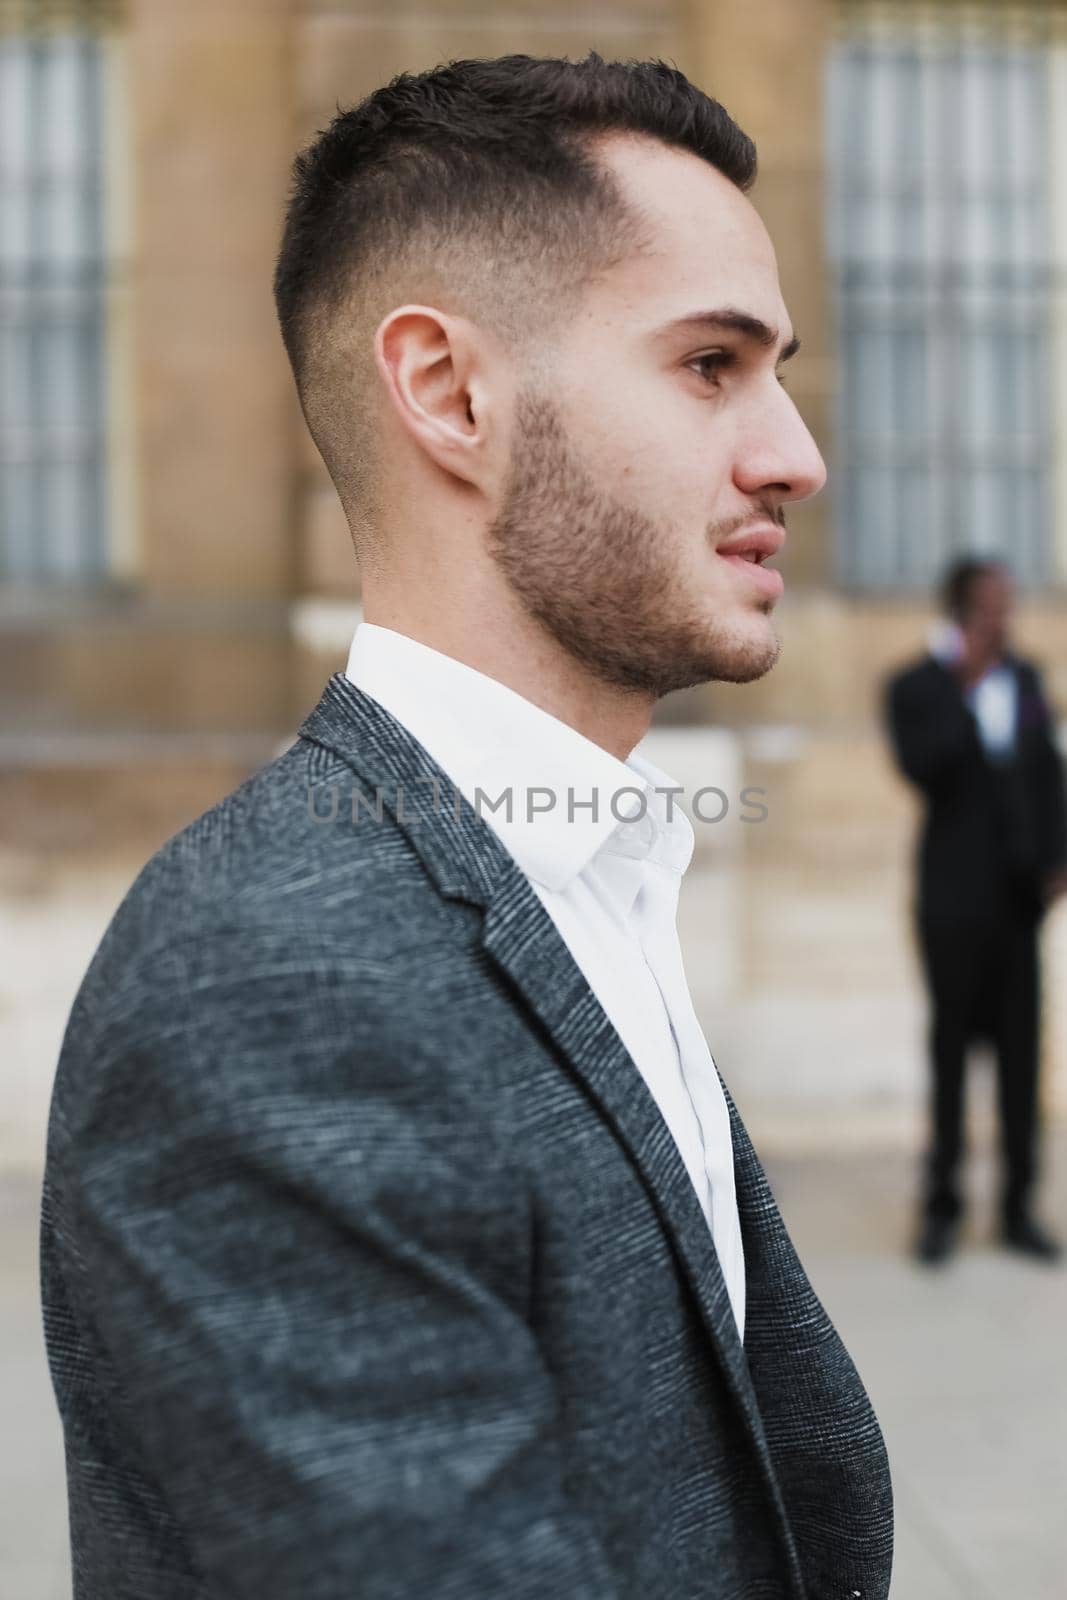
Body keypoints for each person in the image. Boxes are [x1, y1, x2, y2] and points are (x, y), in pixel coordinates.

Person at [41, 55, 893, 1600]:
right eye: (709, 365)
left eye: (775, 371)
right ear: (447, 393)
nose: (793, 455)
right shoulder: (270, 988)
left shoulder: (581, 872)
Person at [885, 556, 1067, 1266]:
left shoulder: (1024, 679)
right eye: (992, 601)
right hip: (950, 901)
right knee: (951, 1055)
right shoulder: (916, 686)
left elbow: (1048, 773)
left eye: (1008, 600)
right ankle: (941, 1208)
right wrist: (963, 691)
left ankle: (1018, 1208)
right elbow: (920, 769)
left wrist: (1057, 855)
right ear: (961, 607)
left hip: (1018, 904)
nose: (1004, 614)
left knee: (1022, 1057)